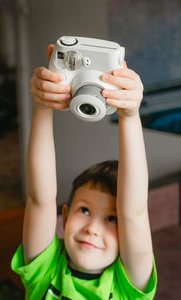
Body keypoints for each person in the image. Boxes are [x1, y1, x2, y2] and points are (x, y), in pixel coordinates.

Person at [11, 44, 157, 299]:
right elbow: (40, 198)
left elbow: (133, 212)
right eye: (84, 210)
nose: (91, 228)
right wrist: (43, 106)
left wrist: (130, 115)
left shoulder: (126, 289)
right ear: (64, 216)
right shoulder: (44, 269)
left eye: (112, 218)